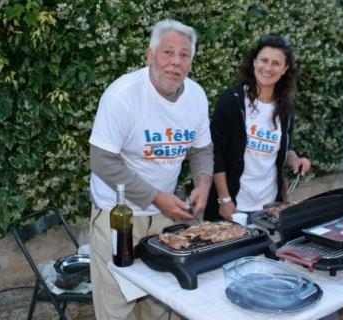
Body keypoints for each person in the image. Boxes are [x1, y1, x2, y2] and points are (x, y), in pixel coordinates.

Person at [89, 19, 213, 320]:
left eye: (184, 55)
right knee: (117, 307)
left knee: (160, 302)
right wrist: (156, 196)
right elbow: (102, 161)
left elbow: (201, 149)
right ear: (149, 55)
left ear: (191, 62)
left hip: (163, 218)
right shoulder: (122, 95)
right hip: (118, 217)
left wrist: (203, 183)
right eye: (167, 52)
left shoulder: (196, 96)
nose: (175, 61)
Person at [204, 34, 311, 222]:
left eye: (276, 63)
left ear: (285, 69)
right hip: (233, 205)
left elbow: (282, 149)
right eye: (264, 60)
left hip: (268, 208)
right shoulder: (232, 100)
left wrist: (295, 159)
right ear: (254, 62)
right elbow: (215, 152)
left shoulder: (286, 108)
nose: (268, 68)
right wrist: (224, 199)